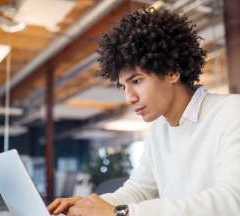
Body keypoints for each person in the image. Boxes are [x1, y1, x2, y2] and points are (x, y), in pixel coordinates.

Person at [47, 8, 240, 216]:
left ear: (172, 71)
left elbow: (231, 200)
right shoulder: (159, 131)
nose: (129, 98)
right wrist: (87, 204)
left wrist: (122, 214)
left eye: (137, 81)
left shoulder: (232, 112)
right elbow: (138, 191)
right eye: (123, 87)